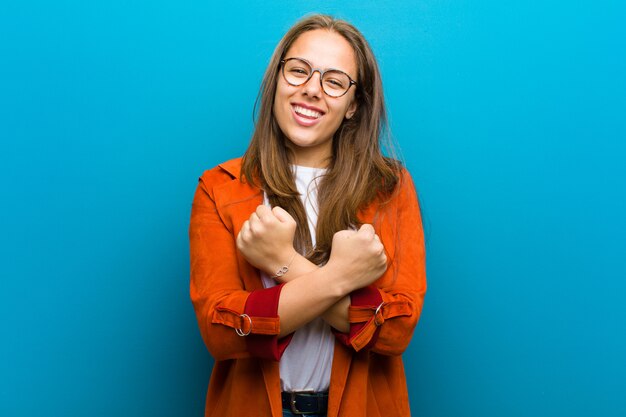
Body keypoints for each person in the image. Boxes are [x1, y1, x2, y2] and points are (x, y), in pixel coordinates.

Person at [189, 14, 426, 417]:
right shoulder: (220, 186)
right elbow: (221, 334)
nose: (312, 90)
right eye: (298, 71)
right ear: (277, 81)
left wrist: (281, 263)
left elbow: (395, 333)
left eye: (334, 81)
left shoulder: (391, 187)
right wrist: (343, 279)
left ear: (353, 105)